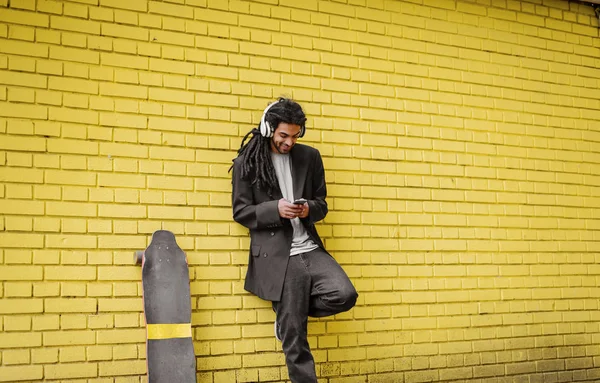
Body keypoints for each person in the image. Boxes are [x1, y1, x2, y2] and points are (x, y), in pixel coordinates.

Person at [230, 97, 358, 382]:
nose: (289, 142)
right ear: (268, 128)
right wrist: (275, 209)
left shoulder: (310, 157)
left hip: (310, 248)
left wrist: (307, 208)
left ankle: (289, 316)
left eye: (295, 136)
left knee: (345, 294)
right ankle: (291, 324)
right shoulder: (246, 163)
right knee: (296, 340)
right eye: (283, 136)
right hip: (279, 256)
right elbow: (241, 212)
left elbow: (321, 203)